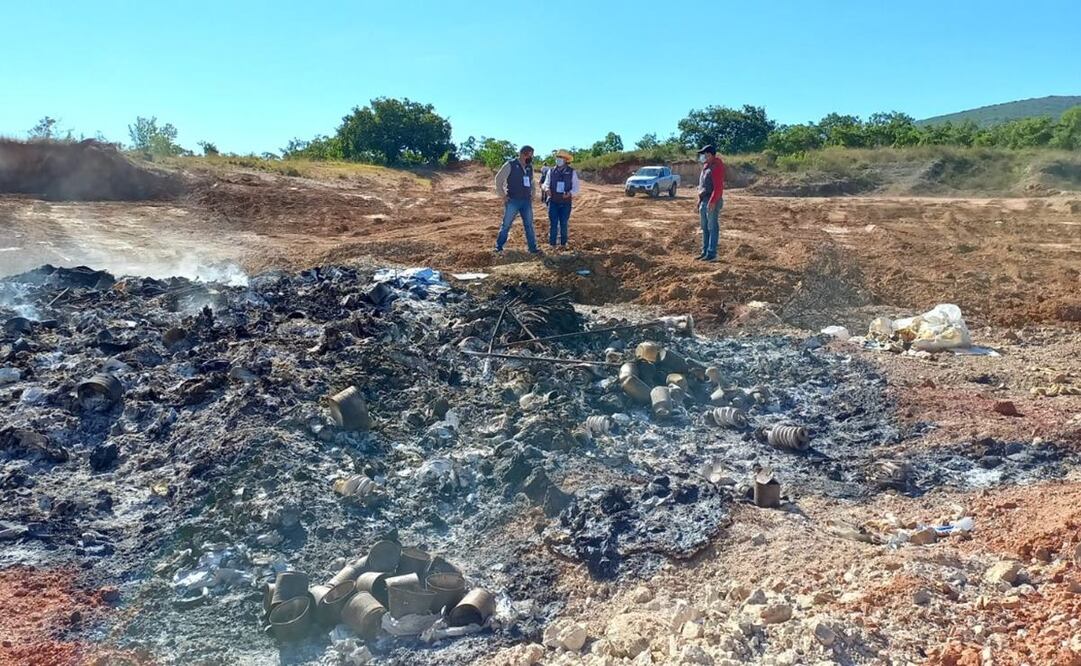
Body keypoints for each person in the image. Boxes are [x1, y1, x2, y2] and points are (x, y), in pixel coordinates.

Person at [494, 145, 540, 254]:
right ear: (523, 154)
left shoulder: (529, 167)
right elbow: (498, 179)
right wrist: (503, 196)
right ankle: (498, 247)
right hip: (513, 201)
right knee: (506, 224)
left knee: (529, 225)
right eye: (530, 155)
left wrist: (533, 194)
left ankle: (532, 248)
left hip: (526, 201)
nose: (531, 158)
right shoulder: (510, 165)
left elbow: (532, 181)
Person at [541, 149, 580, 250]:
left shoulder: (572, 172)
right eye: (558, 157)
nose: (558, 159)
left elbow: (576, 188)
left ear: (566, 160)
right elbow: (545, 183)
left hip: (566, 202)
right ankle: (552, 245)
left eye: (561, 158)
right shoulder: (551, 171)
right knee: (553, 223)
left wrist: (570, 193)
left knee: (563, 223)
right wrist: (546, 189)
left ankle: (563, 244)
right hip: (553, 201)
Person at [696, 144, 725, 262]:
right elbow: (702, 186)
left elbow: (718, 187)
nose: (703, 156)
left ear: (710, 154)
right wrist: (699, 200)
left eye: (705, 154)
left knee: (712, 227)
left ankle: (711, 253)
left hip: (712, 200)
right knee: (705, 227)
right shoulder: (706, 166)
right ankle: (705, 252)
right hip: (704, 200)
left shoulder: (716, 166)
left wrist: (713, 201)